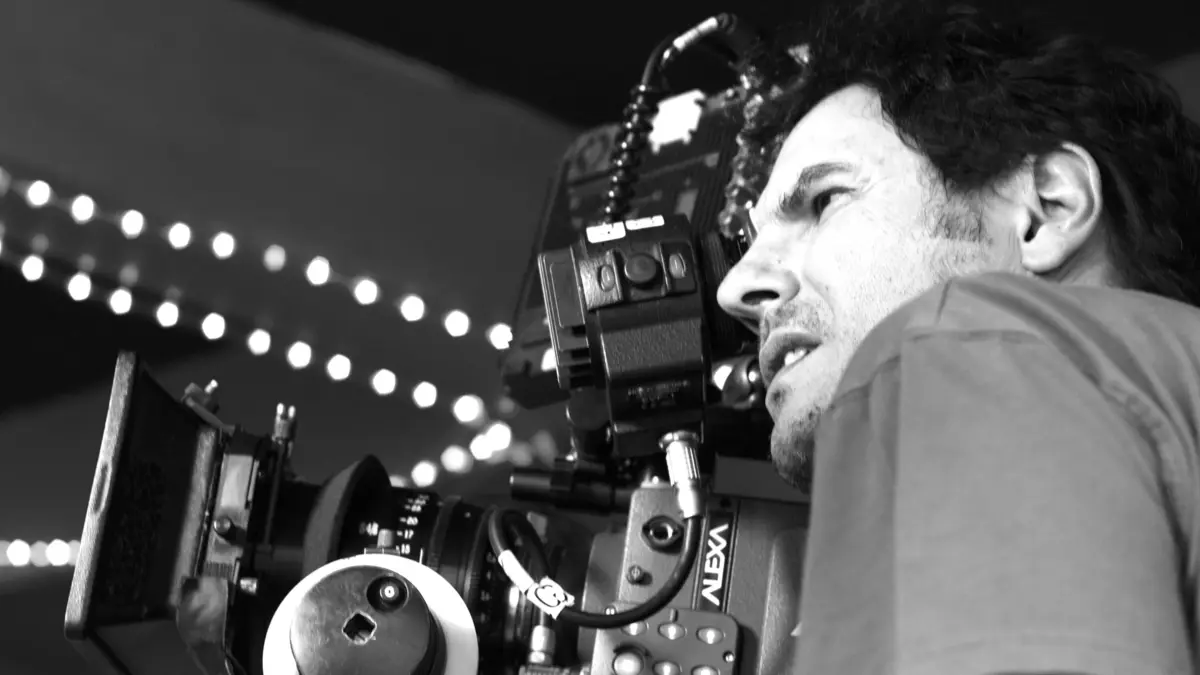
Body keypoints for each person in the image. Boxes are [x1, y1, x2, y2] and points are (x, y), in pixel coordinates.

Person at [714, 1, 1200, 673]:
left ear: (1046, 208)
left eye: (824, 200)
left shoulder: (965, 341)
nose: (736, 287)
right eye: (749, 240)